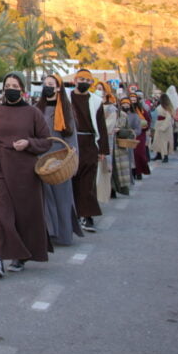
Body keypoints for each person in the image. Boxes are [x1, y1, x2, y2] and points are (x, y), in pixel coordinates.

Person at [0, 72, 53, 278]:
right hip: (0, 167)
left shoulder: (33, 113)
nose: (11, 89)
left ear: (22, 89)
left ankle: (20, 256)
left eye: (15, 85)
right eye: (7, 85)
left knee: (24, 215)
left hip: (26, 171)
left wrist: (29, 143)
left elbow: (46, 140)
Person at [36, 74, 83, 246]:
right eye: (45, 84)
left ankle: (64, 234)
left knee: (62, 197)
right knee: (45, 198)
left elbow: (71, 136)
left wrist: (71, 156)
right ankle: (50, 233)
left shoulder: (66, 109)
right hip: (41, 158)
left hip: (60, 157)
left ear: (58, 88)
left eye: (51, 84)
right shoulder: (37, 108)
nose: (47, 87)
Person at [70, 69, 109, 232]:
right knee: (71, 179)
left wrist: (102, 149)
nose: (83, 82)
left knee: (87, 181)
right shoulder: (66, 97)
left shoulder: (96, 101)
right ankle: (72, 215)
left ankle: (87, 216)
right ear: (75, 80)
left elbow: (101, 125)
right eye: (81, 79)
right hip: (71, 142)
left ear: (91, 83)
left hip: (89, 143)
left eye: (87, 80)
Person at [95, 81, 117, 204]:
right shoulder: (92, 104)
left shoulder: (111, 107)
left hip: (105, 140)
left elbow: (109, 125)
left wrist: (97, 130)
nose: (99, 91)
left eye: (101, 89)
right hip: (93, 140)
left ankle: (103, 194)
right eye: (97, 88)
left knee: (104, 168)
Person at [112, 97, 140, 196]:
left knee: (119, 170)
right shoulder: (101, 113)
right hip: (107, 147)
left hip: (120, 147)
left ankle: (116, 190)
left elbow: (131, 132)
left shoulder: (124, 116)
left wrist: (120, 131)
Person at [129, 92, 151, 180]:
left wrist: (145, 127)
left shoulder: (142, 111)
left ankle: (139, 172)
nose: (133, 102)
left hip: (140, 135)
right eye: (131, 101)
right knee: (131, 154)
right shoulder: (125, 111)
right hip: (129, 135)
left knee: (139, 154)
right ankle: (132, 172)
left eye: (134, 100)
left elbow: (148, 121)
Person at [151, 94, 174, 163]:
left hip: (164, 125)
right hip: (159, 124)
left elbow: (168, 118)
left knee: (164, 142)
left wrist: (163, 127)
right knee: (157, 140)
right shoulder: (161, 106)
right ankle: (158, 154)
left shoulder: (167, 108)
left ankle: (165, 156)